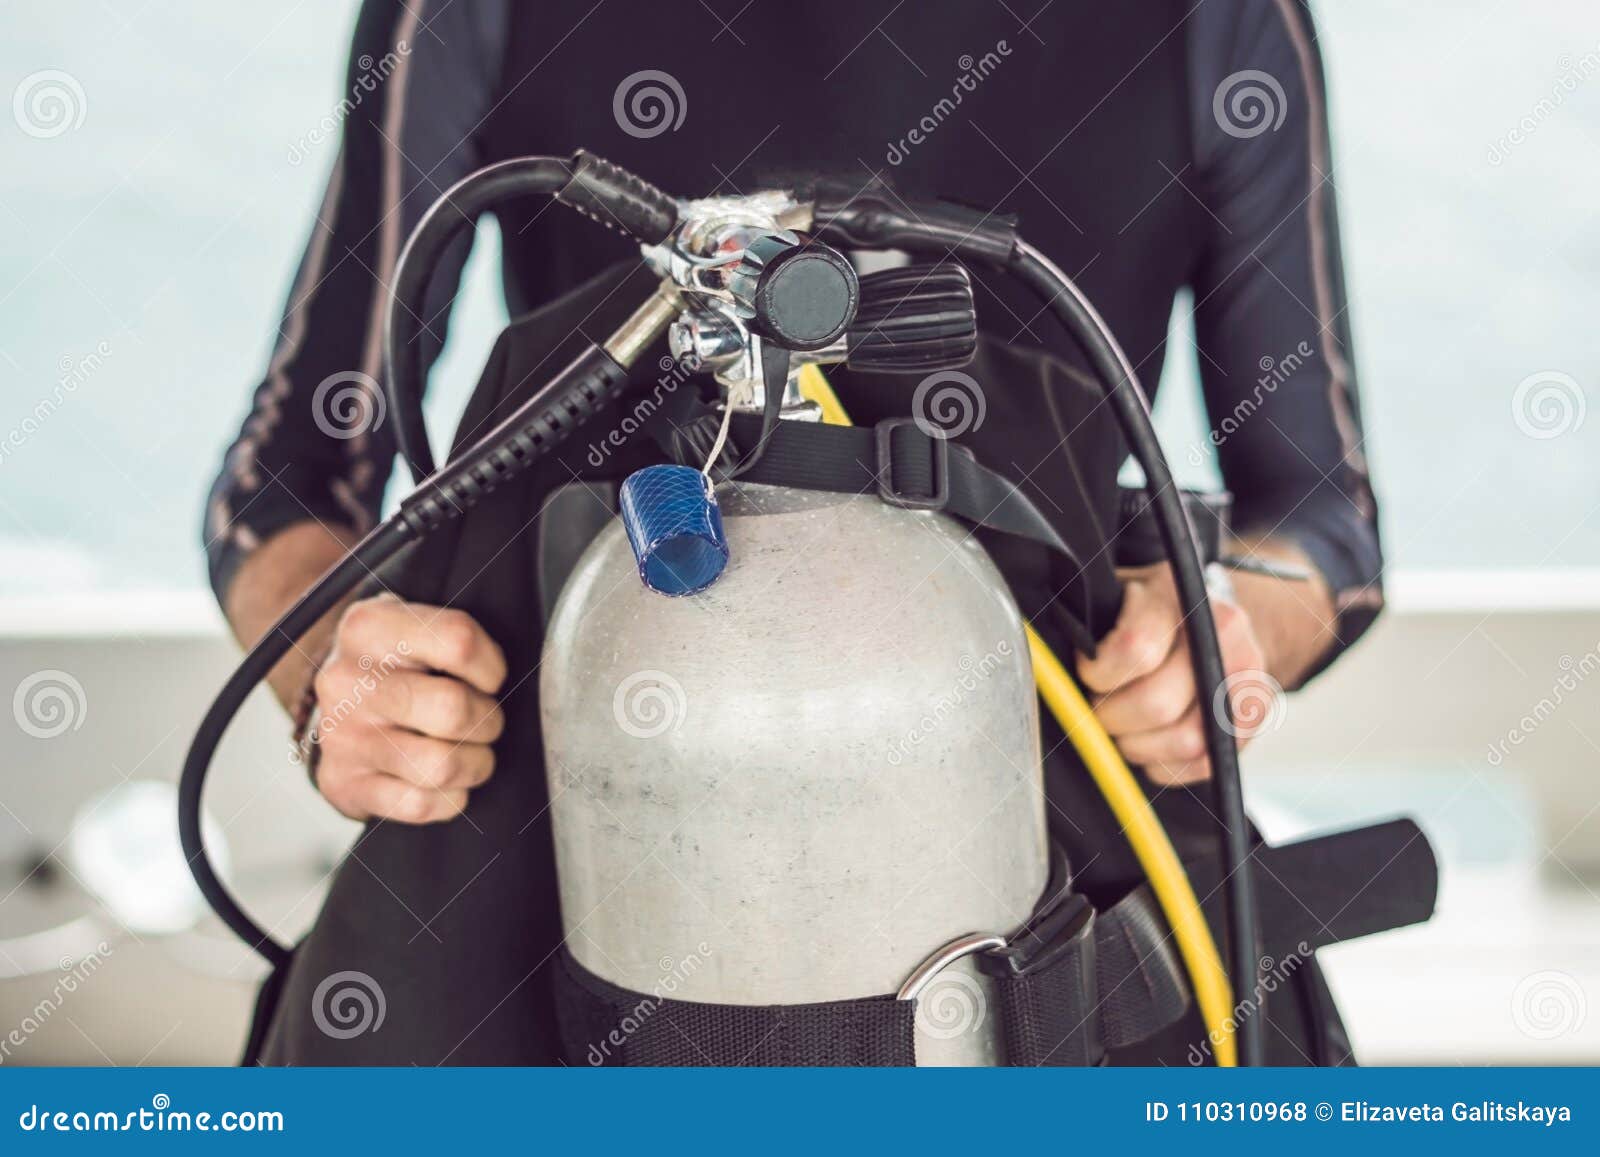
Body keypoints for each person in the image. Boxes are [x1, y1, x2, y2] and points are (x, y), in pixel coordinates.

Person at [206, 0, 1381, 1063]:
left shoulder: (1222, 23)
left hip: (1057, 857)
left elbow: (1319, 526)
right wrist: (335, 680)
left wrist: (1220, 639)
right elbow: (288, 482)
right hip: (571, 818)